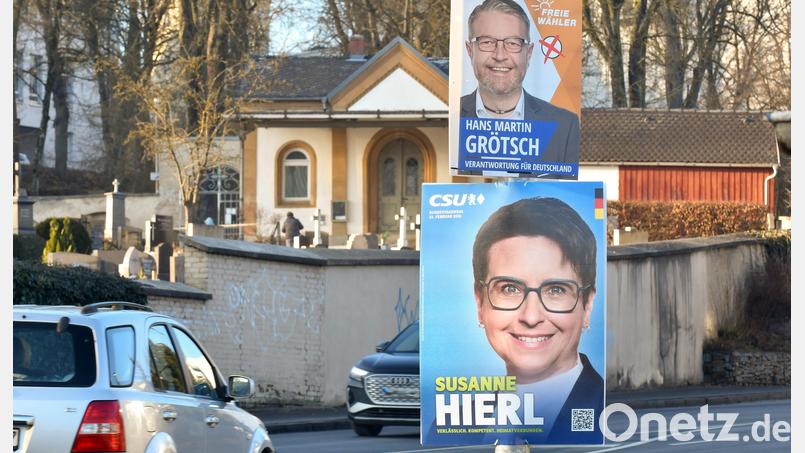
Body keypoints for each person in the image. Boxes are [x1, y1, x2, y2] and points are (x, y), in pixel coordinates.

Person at [471, 196, 603, 442]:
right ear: (480, 303)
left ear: (587, 306)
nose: (531, 317)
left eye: (556, 290)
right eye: (509, 289)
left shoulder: (603, 415)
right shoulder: (451, 419)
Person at [460, 0, 579, 166]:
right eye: (487, 42)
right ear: (470, 50)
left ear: (528, 54)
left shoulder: (564, 125)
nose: (500, 55)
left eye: (513, 43)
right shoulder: (451, 119)